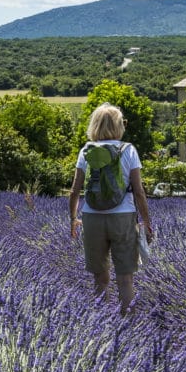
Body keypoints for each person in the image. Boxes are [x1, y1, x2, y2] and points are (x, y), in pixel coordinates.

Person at [69, 103, 153, 315]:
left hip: (92, 217)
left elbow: (74, 190)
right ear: (118, 126)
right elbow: (139, 191)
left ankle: (102, 322)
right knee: (125, 278)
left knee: (99, 276)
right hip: (123, 217)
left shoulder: (86, 150)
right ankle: (129, 323)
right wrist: (147, 222)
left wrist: (73, 218)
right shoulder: (128, 150)